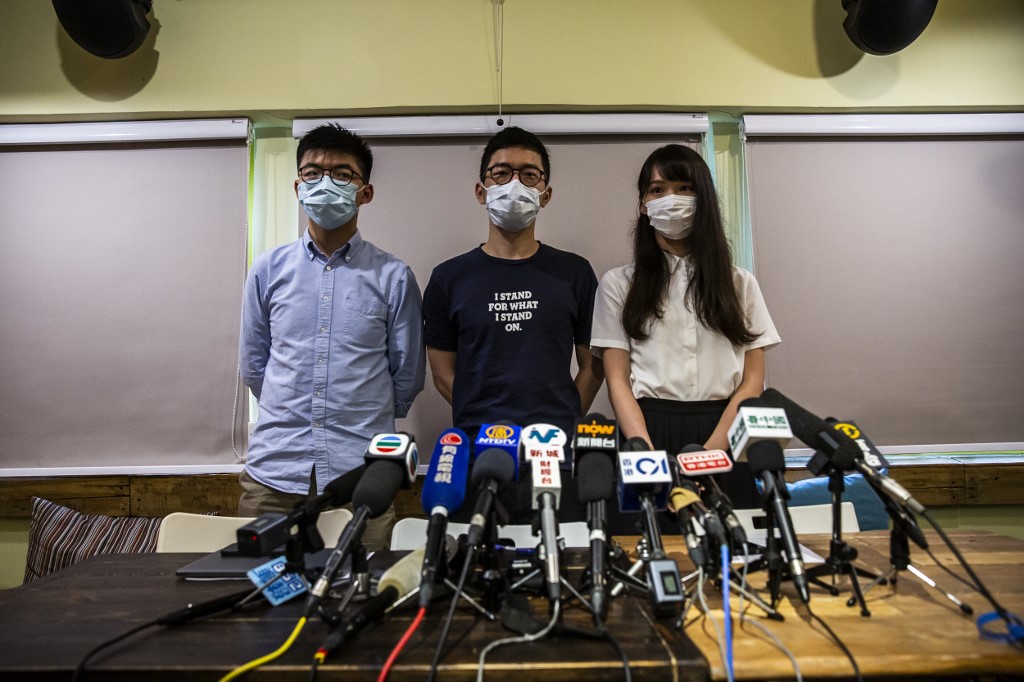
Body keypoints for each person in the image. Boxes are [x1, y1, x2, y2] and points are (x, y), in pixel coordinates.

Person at [238, 123, 425, 550]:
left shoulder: (393, 276)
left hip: (361, 477)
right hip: (273, 476)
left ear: (366, 192)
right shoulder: (268, 270)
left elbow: (407, 375)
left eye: (342, 174)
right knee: (257, 602)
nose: (325, 182)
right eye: (312, 172)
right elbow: (254, 365)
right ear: (297, 186)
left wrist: (360, 416)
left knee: (358, 597)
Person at [590, 144, 780, 529]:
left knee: (734, 557)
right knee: (645, 551)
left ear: (704, 198)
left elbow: (753, 381)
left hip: (724, 429)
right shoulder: (618, 284)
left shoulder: (740, 283)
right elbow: (616, 380)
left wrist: (709, 453)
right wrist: (644, 450)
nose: (669, 199)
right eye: (657, 190)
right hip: (645, 428)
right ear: (643, 204)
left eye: (683, 188)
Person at [423, 126, 603, 523]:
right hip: (475, 458)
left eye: (529, 175)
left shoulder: (574, 273)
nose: (514, 183)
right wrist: (484, 415)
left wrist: (564, 417)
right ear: (480, 190)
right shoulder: (448, 278)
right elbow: (442, 375)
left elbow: (593, 366)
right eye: (501, 173)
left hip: (557, 457)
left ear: (546, 193)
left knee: (560, 566)